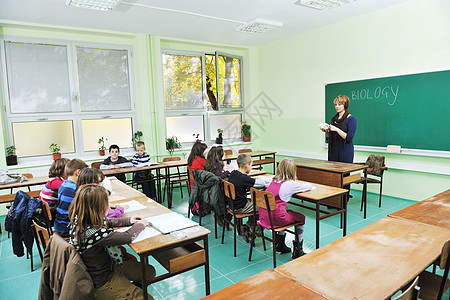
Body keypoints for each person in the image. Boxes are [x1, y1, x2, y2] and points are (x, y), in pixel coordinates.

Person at [68, 184, 156, 299]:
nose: (109, 207)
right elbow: (127, 237)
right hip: (103, 281)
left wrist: (128, 220)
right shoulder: (95, 233)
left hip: (108, 267)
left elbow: (107, 221)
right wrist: (140, 225)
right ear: (97, 208)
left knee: (149, 271)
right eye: (106, 204)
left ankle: (127, 291)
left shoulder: (80, 220)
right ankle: (123, 293)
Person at [258, 158, 313, 259]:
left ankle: (280, 244)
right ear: (292, 170)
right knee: (300, 218)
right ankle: (298, 250)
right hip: (276, 219)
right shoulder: (290, 184)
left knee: (286, 212)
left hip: (264, 217)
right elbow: (309, 186)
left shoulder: (273, 180)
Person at [227, 153, 270, 242]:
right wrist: (265, 179)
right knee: (264, 205)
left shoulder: (233, 173)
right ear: (247, 165)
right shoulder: (243, 178)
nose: (251, 167)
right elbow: (260, 184)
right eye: (251, 165)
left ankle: (249, 227)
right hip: (240, 207)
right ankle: (250, 228)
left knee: (254, 202)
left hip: (232, 205)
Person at [54, 158, 88, 237]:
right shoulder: (74, 188)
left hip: (60, 225)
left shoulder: (63, 185)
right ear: (78, 172)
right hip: (68, 228)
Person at [321, 95, 357, 163]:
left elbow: (349, 138)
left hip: (345, 152)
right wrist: (327, 131)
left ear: (345, 105)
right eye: (335, 104)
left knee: (343, 172)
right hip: (333, 151)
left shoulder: (351, 119)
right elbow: (332, 136)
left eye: (339, 104)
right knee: (332, 173)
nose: (337, 106)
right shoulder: (334, 119)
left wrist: (337, 129)